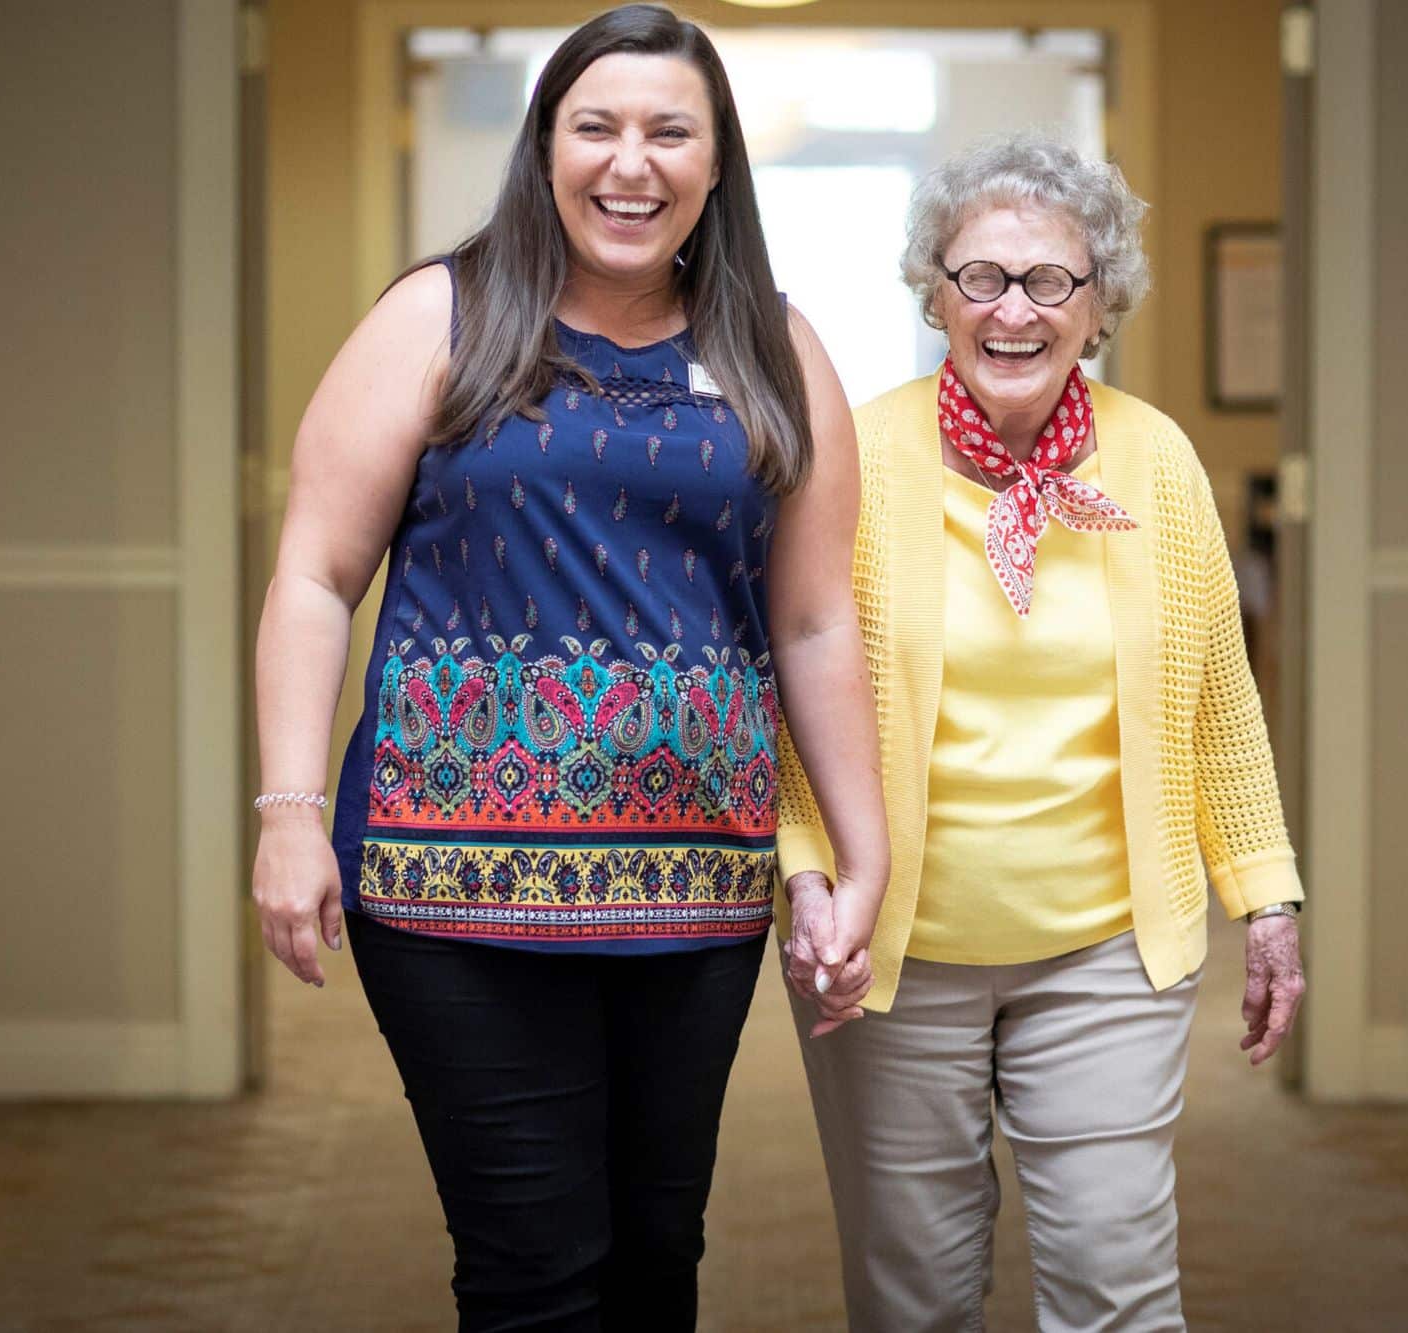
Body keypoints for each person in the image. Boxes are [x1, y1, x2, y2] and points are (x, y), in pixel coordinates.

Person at [249, 7, 888, 1328]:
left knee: (658, 1257)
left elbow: (817, 622)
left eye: (669, 132)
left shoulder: (780, 346)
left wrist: (859, 852)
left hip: (694, 887)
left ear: (717, 167)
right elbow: (316, 573)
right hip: (445, 883)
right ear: (546, 149)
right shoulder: (444, 313)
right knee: (534, 1267)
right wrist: (288, 816)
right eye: (595, 127)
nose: (629, 162)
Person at [774, 131, 1307, 1332]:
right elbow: (793, 700)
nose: (1012, 310)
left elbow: (1219, 696)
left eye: (1049, 281)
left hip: (1106, 948)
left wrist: (1264, 898)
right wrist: (809, 880)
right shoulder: (853, 454)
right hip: (892, 955)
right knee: (911, 1296)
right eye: (980, 278)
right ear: (934, 291)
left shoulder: (1155, 461)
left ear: (1098, 303)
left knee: (1117, 1287)